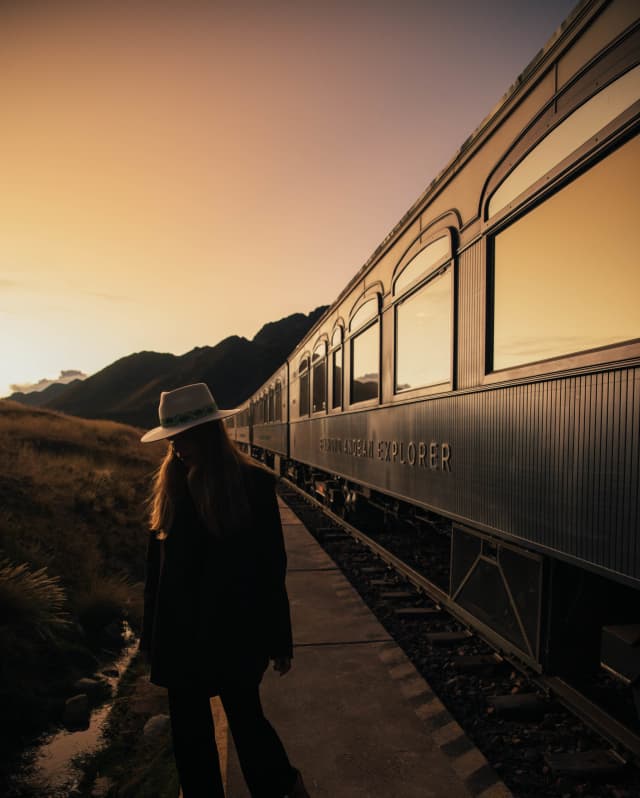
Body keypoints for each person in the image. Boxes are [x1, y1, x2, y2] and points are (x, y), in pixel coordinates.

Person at [140, 382, 309, 798]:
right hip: (180, 635)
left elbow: (271, 569)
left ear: (208, 433)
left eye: (184, 436)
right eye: (172, 439)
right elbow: (155, 573)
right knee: (191, 740)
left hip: (236, 631)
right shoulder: (170, 489)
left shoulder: (252, 486)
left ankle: (283, 790)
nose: (177, 446)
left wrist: (279, 638)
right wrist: (151, 637)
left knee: (248, 723)